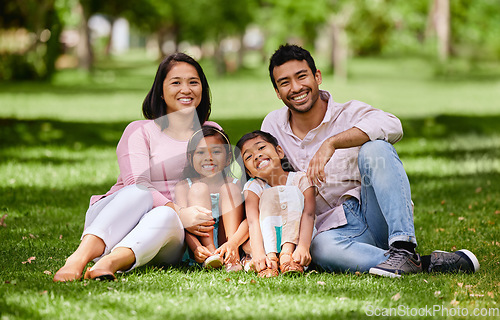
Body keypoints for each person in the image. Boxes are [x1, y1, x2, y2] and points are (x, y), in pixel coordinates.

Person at [261, 44, 480, 277]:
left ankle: (403, 247)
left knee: (376, 148)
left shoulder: (348, 113)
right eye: (284, 82)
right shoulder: (273, 126)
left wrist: (332, 143)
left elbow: (393, 126)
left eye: (301, 76)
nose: (296, 88)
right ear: (277, 92)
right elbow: (267, 183)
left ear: (317, 77)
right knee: (320, 249)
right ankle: (418, 263)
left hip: (372, 215)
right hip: (328, 231)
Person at [53, 52, 221, 282]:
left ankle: (108, 263)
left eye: (193, 82)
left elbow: (223, 182)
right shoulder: (139, 131)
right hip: (118, 219)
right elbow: (135, 183)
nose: (186, 89)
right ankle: (77, 259)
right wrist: (181, 212)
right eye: (176, 82)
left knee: (164, 216)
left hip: (167, 233)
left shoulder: (211, 131)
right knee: (138, 192)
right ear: (160, 91)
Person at [236, 130, 316, 277]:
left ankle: (287, 255)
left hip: (299, 241)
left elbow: (309, 214)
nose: (257, 155)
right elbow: (253, 222)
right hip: (265, 245)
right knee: (269, 195)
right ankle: (270, 260)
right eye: (248, 156)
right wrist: (259, 253)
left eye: (261, 148)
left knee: (290, 192)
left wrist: (303, 247)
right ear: (249, 172)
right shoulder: (253, 187)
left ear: (279, 152)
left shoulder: (300, 179)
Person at [174, 125, 249, 271]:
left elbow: (249, 217)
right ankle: (210, 255)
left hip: (230, 240)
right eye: (200, 152)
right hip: (199, 245)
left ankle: (230, 257)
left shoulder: (236, 183)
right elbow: (182, 223)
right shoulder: (183, 186)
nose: (208, 157)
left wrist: (233, 243)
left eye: (216, 151)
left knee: (229, 188)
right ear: (191, 158)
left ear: (228, 158)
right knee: (199, 189)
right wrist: (196, 248)